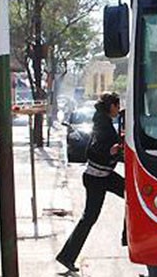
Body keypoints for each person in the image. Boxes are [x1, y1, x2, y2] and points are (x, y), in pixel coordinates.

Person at [56, 92, 124, 273]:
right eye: (117, 106)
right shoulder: (103, 124)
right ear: (111, 107)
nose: (118, 109)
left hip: (104, 175)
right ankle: (67, 256)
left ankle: (127, 237)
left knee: (132, 194)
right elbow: (95, 150)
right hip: (96, 178)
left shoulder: (103, 121)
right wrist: (111, 152)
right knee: (89, 218)